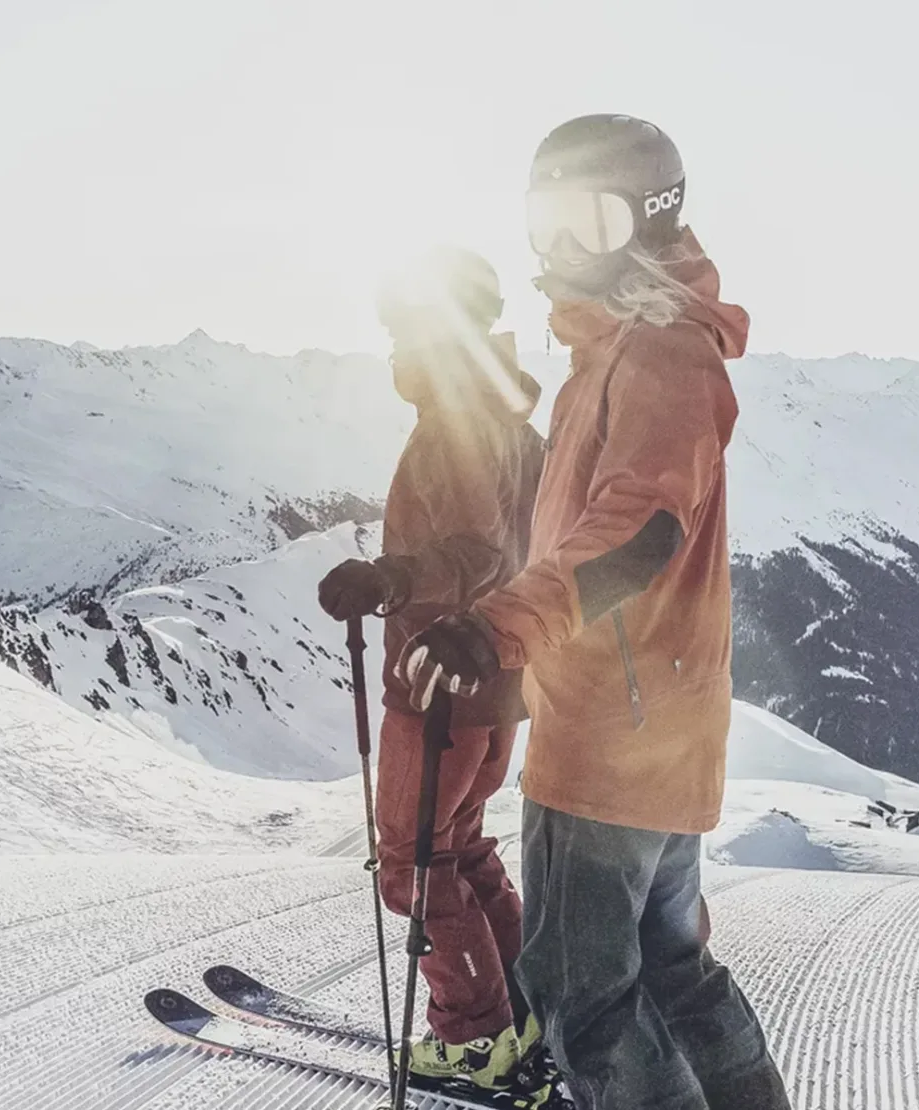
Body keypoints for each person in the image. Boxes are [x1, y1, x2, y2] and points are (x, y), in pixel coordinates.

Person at [395, 116, 792, 1109]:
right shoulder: (631, 345)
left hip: (612, 742)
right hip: (656, 725)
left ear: (647, 226)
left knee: (585, 1007)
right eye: (548, 219)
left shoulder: (655, 352)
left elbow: (638, 530)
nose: (561, 246)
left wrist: (498, 627)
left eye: (592, 220)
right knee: (672, 970)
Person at [316, 246, 548, 1093]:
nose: (390, 348)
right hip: (498, 686)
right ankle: (523, 1006)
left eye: (402, 327)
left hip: (439, 686)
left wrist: (392, 579)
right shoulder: (512, 422)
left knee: (412, 866)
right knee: (460, 849)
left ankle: (474, 1040)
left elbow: (479, 553)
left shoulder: (458, 417)